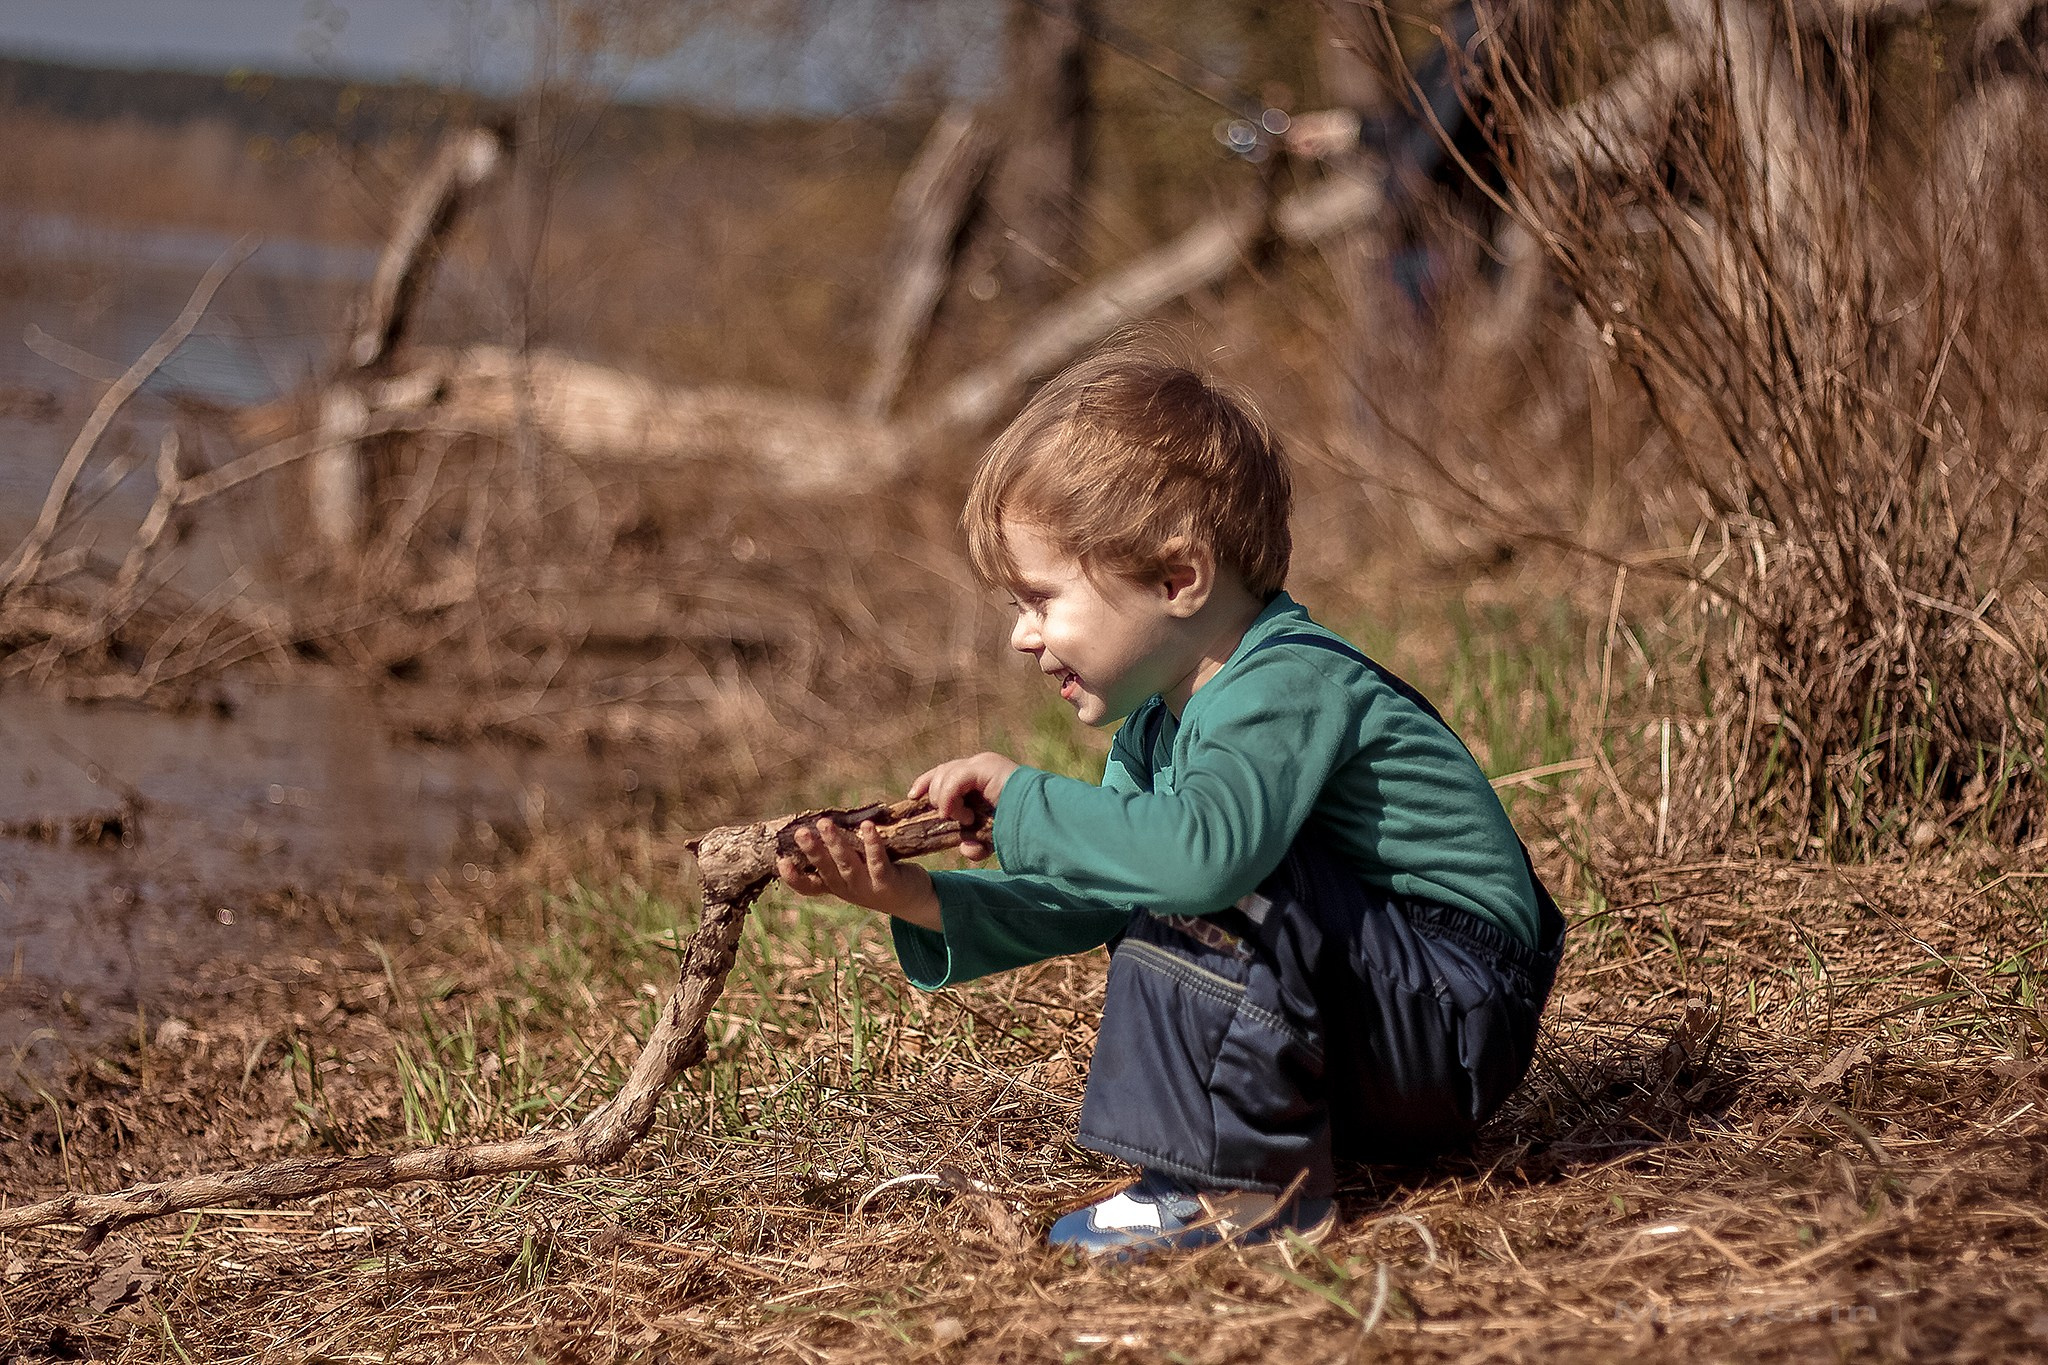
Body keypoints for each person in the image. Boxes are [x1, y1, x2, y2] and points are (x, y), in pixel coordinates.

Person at [776, 339, 1564, 1257]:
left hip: (1455, 1006)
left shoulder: (1282, 684)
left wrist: (1027, 801)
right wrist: (914, 897)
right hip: (1382, 1004)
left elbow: (1205, 858)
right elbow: (1109, 887)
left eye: (1039, 598)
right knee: (1164, 853)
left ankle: (1241, 1186)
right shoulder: (1157, 726)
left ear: (1177, 578)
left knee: (1205, 861)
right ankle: (1242, 1159)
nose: (1024, 639)